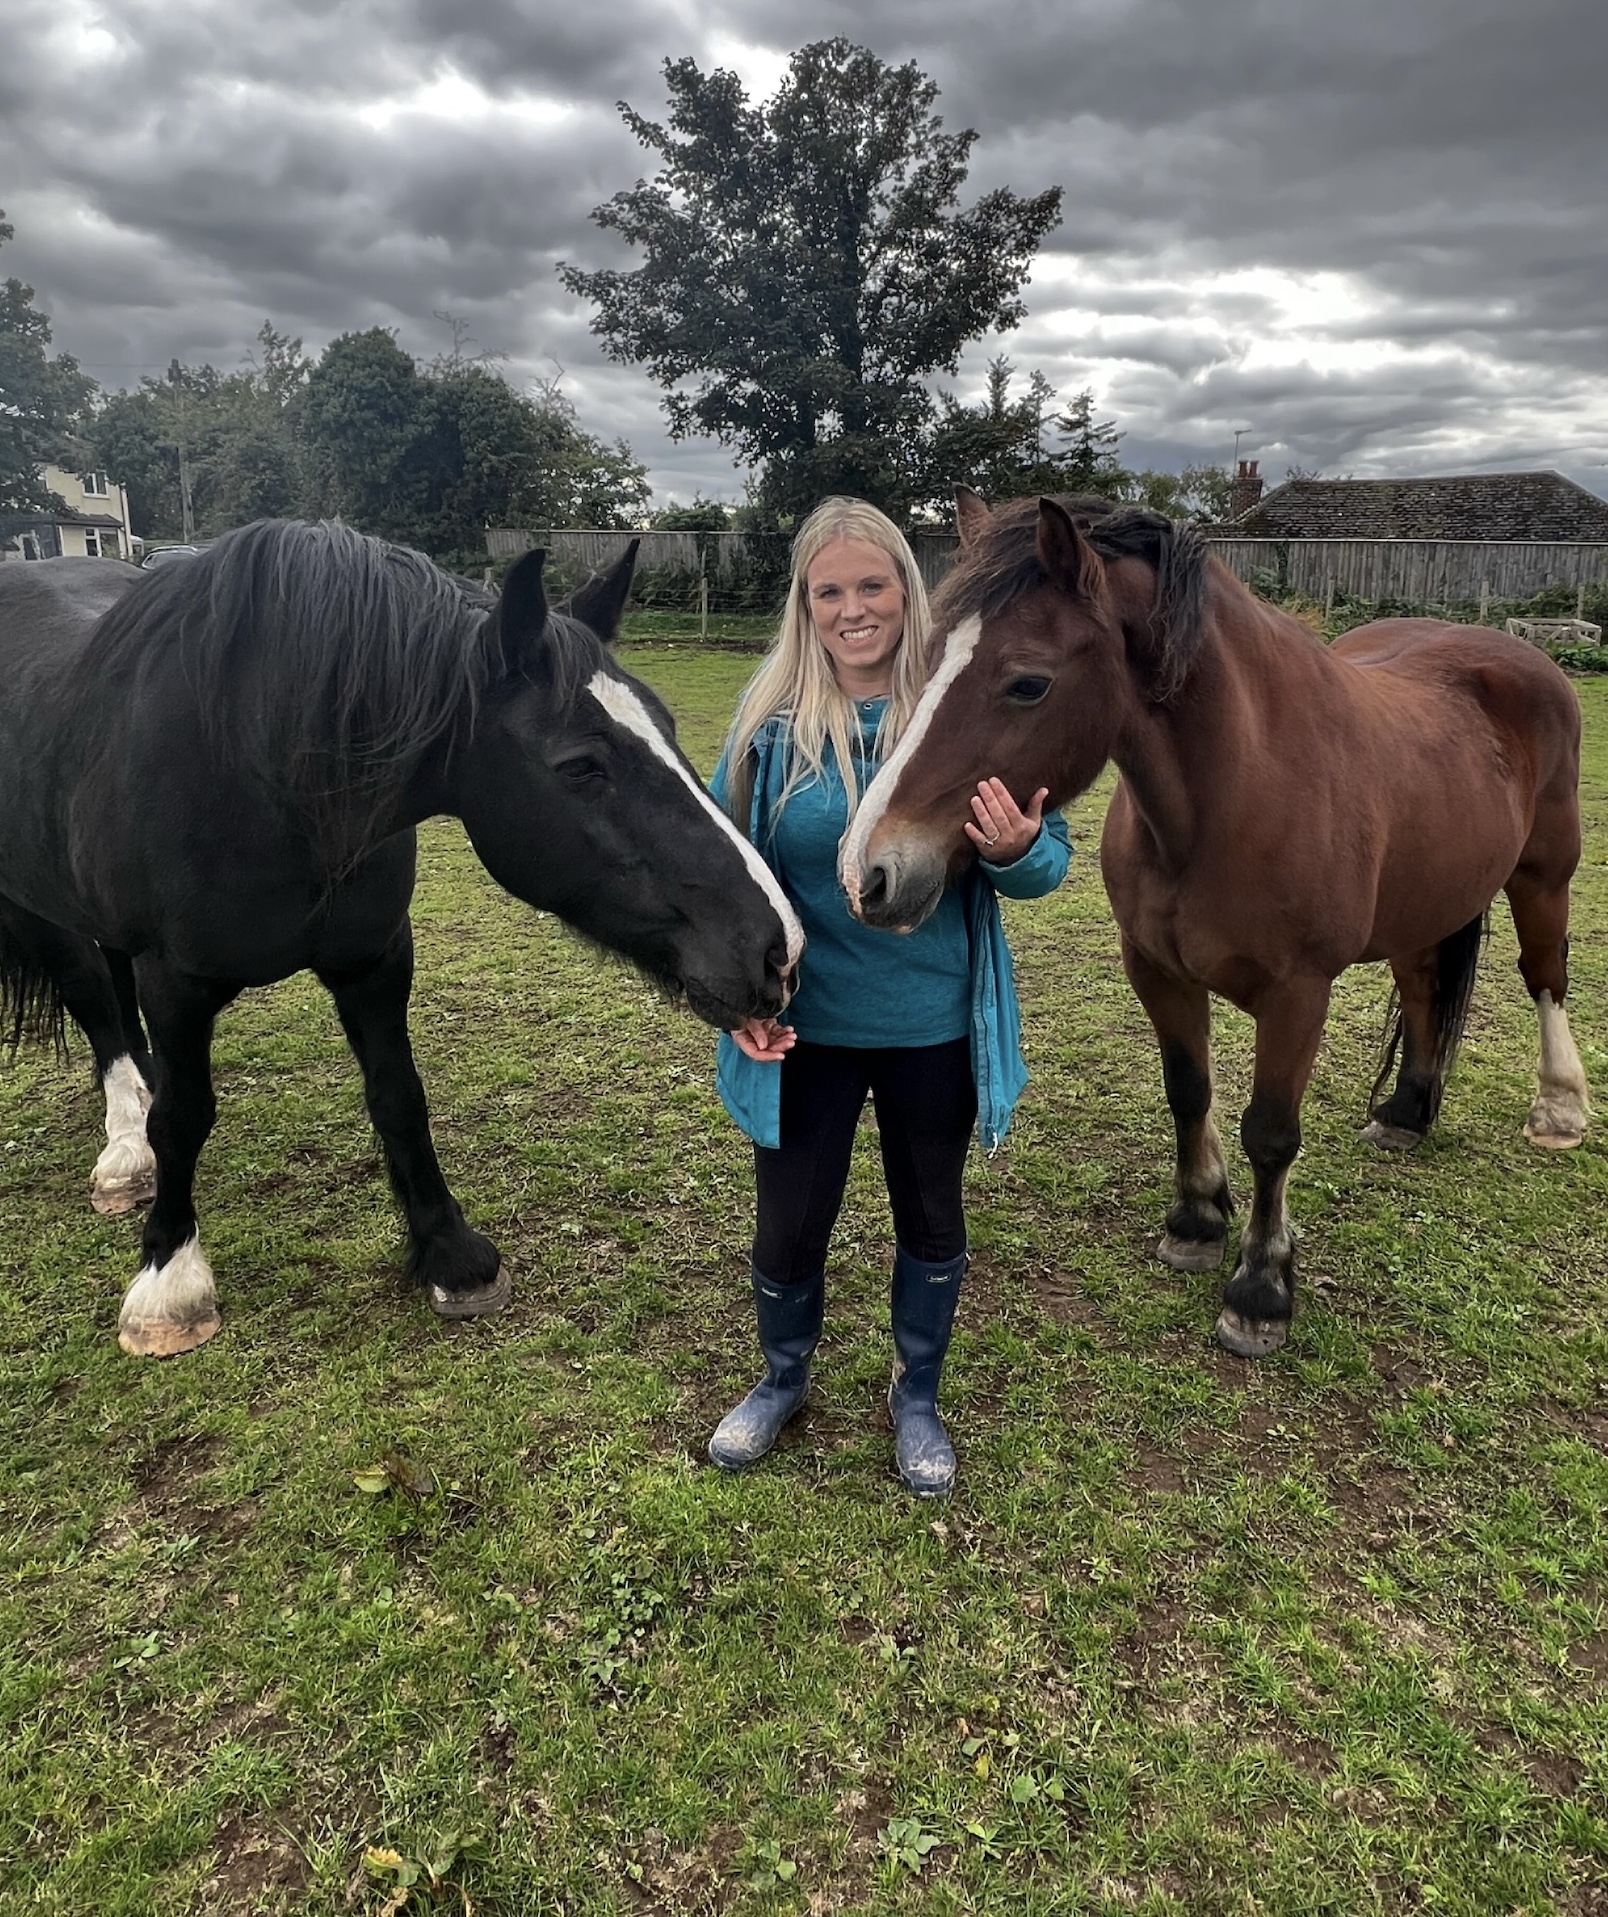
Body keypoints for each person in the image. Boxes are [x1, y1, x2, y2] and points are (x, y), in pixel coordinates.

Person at [707, 497, 1071, 1498]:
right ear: (806, 605)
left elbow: (1051, 869)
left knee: (931, 1218)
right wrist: (734, 999)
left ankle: (918, 1397)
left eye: (873, 585)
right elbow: (717, 876)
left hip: (931, 1030)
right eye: (831, 591)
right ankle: (782, 1380)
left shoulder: (961, 709)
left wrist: (1018, 850)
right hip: (803, 1032)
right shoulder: (767, 727)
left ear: (909, 591)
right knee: (788, 1226)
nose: (853, 609)